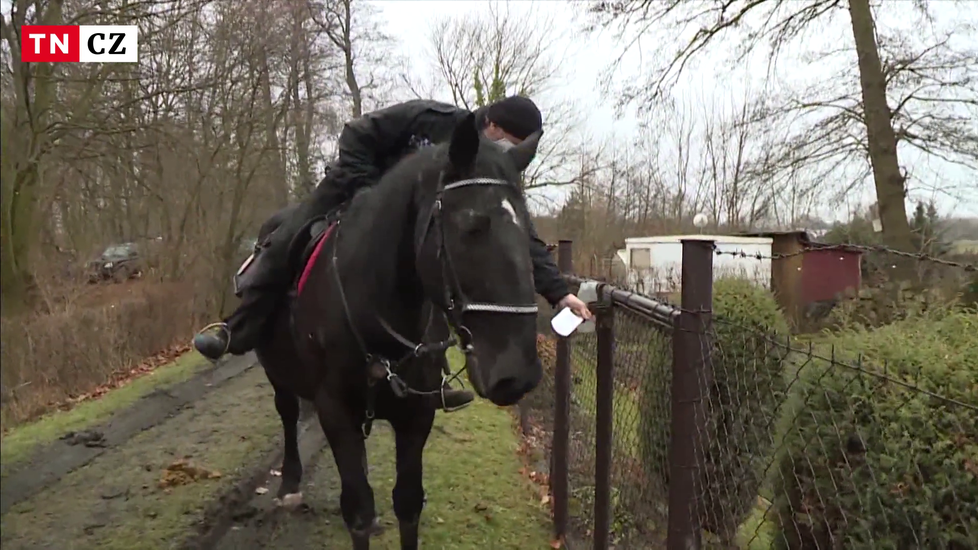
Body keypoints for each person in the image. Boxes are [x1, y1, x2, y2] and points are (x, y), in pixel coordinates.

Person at [193, 96, 593, 373]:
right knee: (292, 233)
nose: (509, 155)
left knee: (440, 267)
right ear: (491, 125)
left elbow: (519, 231)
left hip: (409, 225)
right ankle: (237, 327)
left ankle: (431, 375)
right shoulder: (430, 119)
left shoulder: (487, 169)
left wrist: (558, 291)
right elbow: (356, 134)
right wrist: (370, 195)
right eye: (511, 144)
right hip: (354, 188)